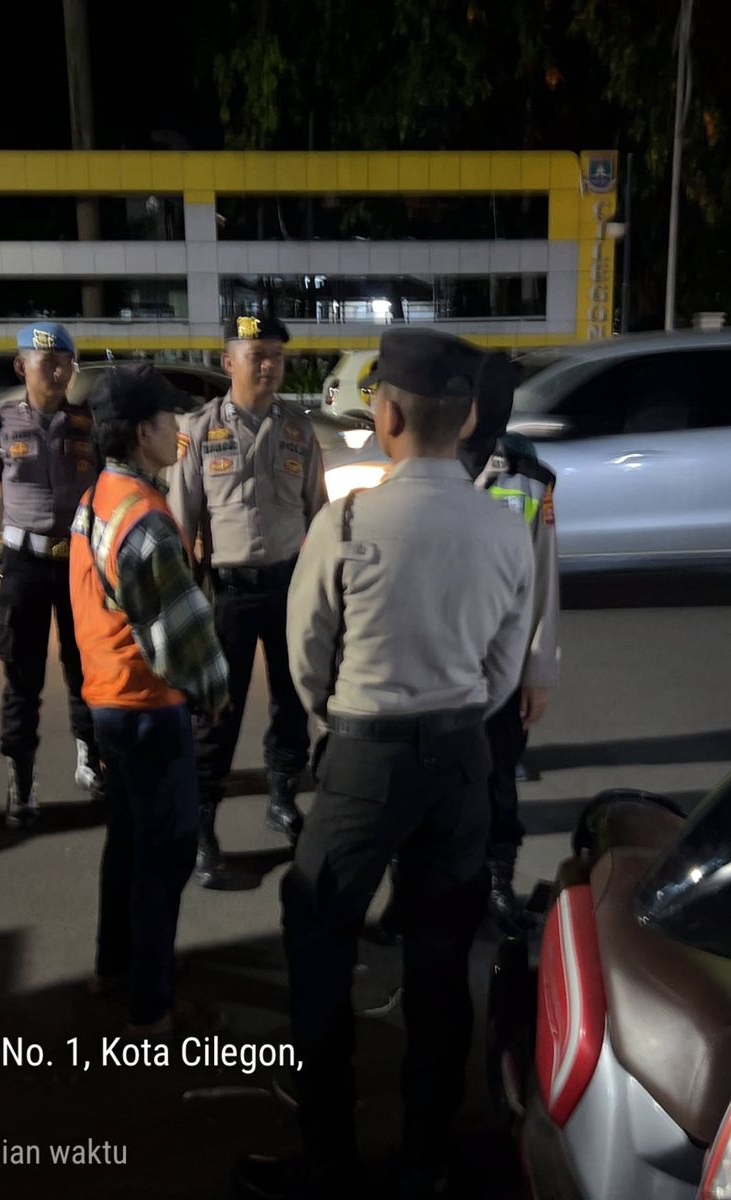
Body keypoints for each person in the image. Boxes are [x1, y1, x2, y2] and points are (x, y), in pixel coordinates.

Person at [235, 329, 534, 1200]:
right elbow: (505, 667)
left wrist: (342, 719)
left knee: (319, 934)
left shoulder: (348, 521)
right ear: (468, 417)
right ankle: (425, 1160)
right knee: (442, 958)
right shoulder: (505, 526)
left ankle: (328, 1156)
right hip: (461, 758)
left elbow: (306, 656)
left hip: (365, 758)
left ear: (388, 416)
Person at [69, 364, 230, 1036]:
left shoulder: (99, 496)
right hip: (147, 707)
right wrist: (214, 692)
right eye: (169, 420)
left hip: (108, 701)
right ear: (142, 432)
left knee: (127, 845)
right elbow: (180, 637)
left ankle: (113, 968)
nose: (178, 430)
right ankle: (152, 1006)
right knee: (165, 858)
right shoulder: (146, 521)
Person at [169, 315, 328, 886]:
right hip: (227, 591)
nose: (269, 364)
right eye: (257, 353)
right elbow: (182, 521)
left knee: (293, 698)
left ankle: (282, 797)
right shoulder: (198, 430)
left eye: (277, 355)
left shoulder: (299, 429)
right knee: (217, 709)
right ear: (227, 361)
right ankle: (202, 822)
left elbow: (319, 514)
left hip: (289, 585)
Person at [0, 322, 103, 828]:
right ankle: (21, 780)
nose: (59, 372)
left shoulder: (87, 423)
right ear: (22, 367)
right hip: (23, 566)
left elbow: (105, 495)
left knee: (85, 669)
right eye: (48, 364)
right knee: (22, 679)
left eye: (66, 363)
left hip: (78, 565)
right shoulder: (0, 422)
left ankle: (90, 759)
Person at [458, 373, 560, 933]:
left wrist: (539, 671)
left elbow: (545, 579)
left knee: (498, 781)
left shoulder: (528, 477)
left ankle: (498, 886)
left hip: (502, 667)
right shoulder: (427, 467)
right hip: (436, 666)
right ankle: (417, 894)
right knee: (427, 785)